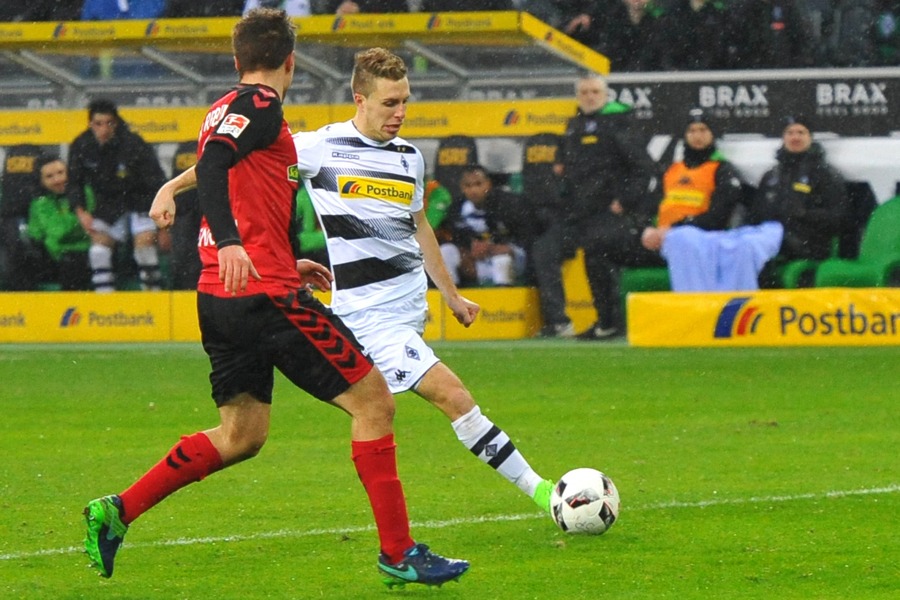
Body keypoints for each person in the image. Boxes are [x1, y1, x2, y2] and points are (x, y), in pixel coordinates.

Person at [85, 11, 469, 589]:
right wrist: (239, 244)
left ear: (237, 60)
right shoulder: (262, 107)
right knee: (374, 403)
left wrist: (277, 253)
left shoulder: (226, 109)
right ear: (291, 61)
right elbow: (215, 165)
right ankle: (399, 552)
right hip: (264, 293)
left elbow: (235, 173)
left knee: (243, 434)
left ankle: (118, 510)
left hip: (222, 295)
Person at [155, 46, 555, 539]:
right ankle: (545, 493)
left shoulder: (410, 157)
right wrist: (172, 187)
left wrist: (449, 294)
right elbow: (233, 158)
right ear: (359, 98)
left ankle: (405, 541)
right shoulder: (320, 148)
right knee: (454, 397)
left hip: (407, 312)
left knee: (268, 432)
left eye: (405, 101)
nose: (400, 113)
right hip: (369, 318)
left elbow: (419, 225)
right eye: (390, 103)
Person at [556, 73, 659, 340]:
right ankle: (605, 321)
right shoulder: (575, 125)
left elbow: (643, 168)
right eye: (585, 92)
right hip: (584, 212)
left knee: (599, 255)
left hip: (613, 213)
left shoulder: (619, 121)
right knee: (590, 259)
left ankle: (610, 321)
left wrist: (624, 201)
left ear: (605, 95)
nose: (590, 97)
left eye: (595, 92)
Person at [67, 99, 166, 291]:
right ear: (90, 124)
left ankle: (154, 297)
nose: (104, 129)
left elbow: (156, 181)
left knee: (144, 247)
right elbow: (74, 183)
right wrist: (81, 212)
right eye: (98, 124)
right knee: (98, 250)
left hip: (139, 202)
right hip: (108, 205)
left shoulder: (133, 143)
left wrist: (162, 226)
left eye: (109, 123)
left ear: (117, 123)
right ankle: (105, 303)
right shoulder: (82, 145)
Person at [748, 114, 848, 288]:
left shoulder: (825, 175)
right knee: (744, 247)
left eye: (801, 132)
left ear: (810, 138)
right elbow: (756, 215)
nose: (795, 137)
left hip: (810, 244)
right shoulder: (771, 176)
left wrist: (805, 215)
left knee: (762, 256)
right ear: (783, 138)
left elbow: (840, 218)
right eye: (790, 133)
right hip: (772, 239)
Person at [442, 165, 531, 287]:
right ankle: (452, 297)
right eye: (468, 186)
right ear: (462, 187)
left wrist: (497, 247)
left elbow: (526, 237)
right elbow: (456, 236)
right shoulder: (456, 209)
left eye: (478, 184)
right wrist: (467, 249)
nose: (473, 190)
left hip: (510, 258)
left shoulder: (508, 204)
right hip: (477, 262)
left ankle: (503, 300)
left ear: (488, 184)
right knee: (445, 251)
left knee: (502, 260)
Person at [26, 155, 92, 291]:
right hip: (55, 257)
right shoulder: (40, 202)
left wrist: (76, 224)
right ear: (41, 181)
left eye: (61, 173)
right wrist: (78, 217)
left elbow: (92, 224)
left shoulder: (85, 192)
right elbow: (58, 232)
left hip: (88, 250)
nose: (58, 180)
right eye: (49, 176)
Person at [594, 0, 666, 72]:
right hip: (617, 76)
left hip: (654, 77)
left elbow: (663, 56)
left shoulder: (661, 20)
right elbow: (607, 50)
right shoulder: (612, 19)